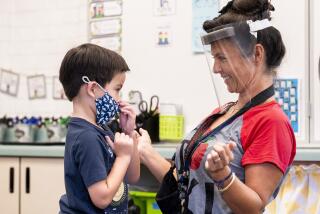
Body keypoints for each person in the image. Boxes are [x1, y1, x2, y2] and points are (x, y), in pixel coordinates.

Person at [138, 0, 296, 213]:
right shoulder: (223, 113)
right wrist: (146, 152)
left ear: (257, 54)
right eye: (214, 58)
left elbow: (253, 207)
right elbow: (186, 181)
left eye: (222, 58)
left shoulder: (271, 122)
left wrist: (223, 175)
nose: (216, 68)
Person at [58, 43, 140, 213]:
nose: (119, 99)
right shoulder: (86, 137)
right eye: (117, 89)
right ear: (93, 89)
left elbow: (133, 176)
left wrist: (129, 133)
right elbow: (101, 198)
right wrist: (123, 156)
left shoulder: (101, 128)